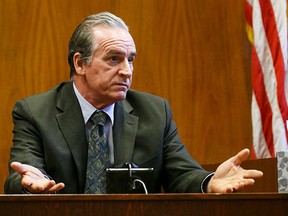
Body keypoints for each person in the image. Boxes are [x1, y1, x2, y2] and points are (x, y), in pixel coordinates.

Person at [4, 12, 263, 194]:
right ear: (80, 63)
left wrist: (209, 182)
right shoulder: (35, 112)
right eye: (114, 59)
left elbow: (181, 173)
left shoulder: (154, 112)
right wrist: (28, 183)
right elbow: (24, 171)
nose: (127, 71)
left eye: (131, 59)